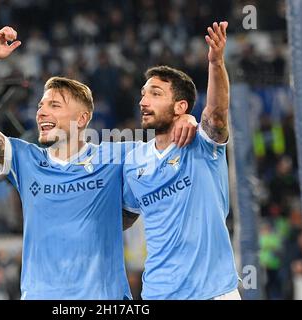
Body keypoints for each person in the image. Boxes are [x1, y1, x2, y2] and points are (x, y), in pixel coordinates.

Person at [0, 26, 197, 299]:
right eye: (40, 106)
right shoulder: (26, 159)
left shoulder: (117, 157)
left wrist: (185, 118)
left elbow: (164, 149)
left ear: (82, 119)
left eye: (55, 105)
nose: (42, 111)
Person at [123, 21, 240, 299]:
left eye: (155, 94)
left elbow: (217, 114)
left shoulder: (202, 143)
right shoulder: (133, 161)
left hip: (213, 292)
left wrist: (215, 62)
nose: (143, 101)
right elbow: (123, 217)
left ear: (180, 106)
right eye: (143, 94)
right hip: (159, 294)